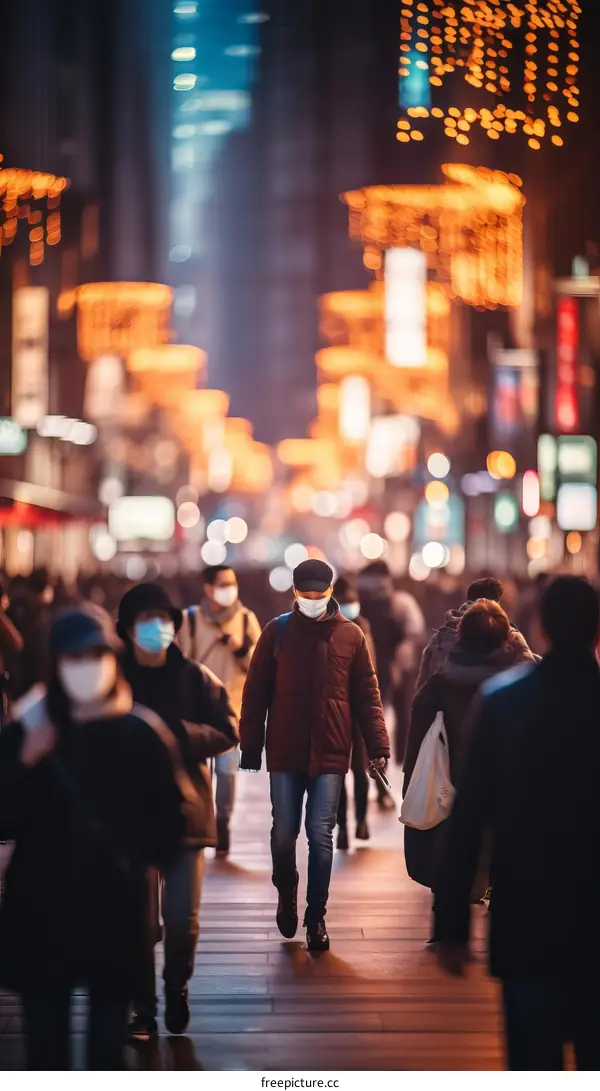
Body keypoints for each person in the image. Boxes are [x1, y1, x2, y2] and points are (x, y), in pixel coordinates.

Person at [0, 608, 184, 1070]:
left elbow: (169, 827)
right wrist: (24, 762)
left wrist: (137, 853)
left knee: (107, 1050)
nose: (88, 668)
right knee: (46, 1053)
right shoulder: (29, 730)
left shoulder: (141, 734)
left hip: (114, 913)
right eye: (75, 658)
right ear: (55, 664)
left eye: (97, 656)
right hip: (42, 913)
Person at [433, 576, 600, 1071]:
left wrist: (452, 925)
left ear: (540, 626)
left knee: (532, 1060)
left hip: (528, 916)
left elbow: (468, 818)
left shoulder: (504, 702)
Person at [239, 559, 390, 952]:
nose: (311, 600)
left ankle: (316, 916)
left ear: (330, 592)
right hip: (286, 749)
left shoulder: (351, 636)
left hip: (332, 749)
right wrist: (251, 746)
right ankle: (286, 887)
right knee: (284, 832)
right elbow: (255, 692)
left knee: (321, 835)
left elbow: (368, 696)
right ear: (294, 593)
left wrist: (378, 747)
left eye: (318, 594)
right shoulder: (276, 632)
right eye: (305, 594)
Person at [117, 582, 238, 1040]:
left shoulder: (195, 678)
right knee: (138, 922)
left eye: (164, 620)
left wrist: (182, 735)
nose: (157, 628)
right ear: (128, 628)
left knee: (182, 919)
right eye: (147, 620)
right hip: (128, 818)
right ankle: (143, 1009)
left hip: (185, 814)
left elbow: (228, 729)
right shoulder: (112, 679)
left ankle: (176, 985)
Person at [403, 600, 515, 904]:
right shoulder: (515, 684)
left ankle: (454, 899)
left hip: (449, 783)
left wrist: (410, 781)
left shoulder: (440, 682)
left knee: (455, 846)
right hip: (504, 784)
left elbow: (418, 733)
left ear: (461, 636)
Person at [178, 564, 261, 857]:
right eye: (223, 584)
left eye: (232, 583)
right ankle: (201, 824)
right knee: (199, 774)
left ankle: (223, 820)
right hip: (197, 712)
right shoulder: (189, 620)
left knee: (227, 773)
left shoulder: (246, 619)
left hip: (232, 712)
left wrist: (240, 649)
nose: (230, 590)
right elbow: (179, 662)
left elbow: (260, 666)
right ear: (208, 588)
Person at [416, 576, 535, 690]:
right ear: (496, 602)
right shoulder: (511, 636)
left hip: (451, 702)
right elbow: (532, 677)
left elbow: (423, 688)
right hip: (498, 701)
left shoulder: (441, 637)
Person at [333, 576, 376, 850]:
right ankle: (346, 825)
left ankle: (357, 821)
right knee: (341, 770)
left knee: (356, 769)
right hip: (340, 708)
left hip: (354, 708)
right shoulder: (330, 628)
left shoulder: (362, 627)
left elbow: (372, 671)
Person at [389, 582, 427, 765]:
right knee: (403, 710)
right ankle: (401, 755)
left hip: (391, 662)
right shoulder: (405, 601)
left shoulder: (397, 601)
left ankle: (397, 755)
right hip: (403, 664)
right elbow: (417, 628)